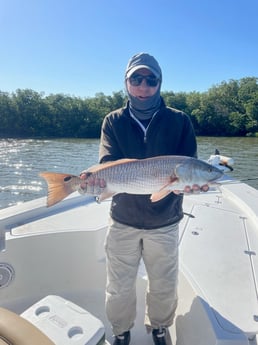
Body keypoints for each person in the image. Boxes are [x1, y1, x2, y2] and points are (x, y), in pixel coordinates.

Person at [80, 53, 206, 345]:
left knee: (164, 285)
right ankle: (121, 332)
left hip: (164, 220)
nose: (143, 85)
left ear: (160, 83)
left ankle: (160, 328)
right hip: (123, 217)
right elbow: (108, 160)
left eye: (151, 79)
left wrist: (192, 185)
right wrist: (94, 181)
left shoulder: (180, 121)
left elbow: (190, 165)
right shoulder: (113, 120)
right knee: (119, 287)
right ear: (126, 82)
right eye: (136, 78)